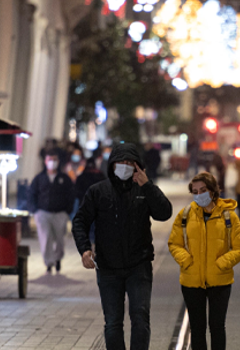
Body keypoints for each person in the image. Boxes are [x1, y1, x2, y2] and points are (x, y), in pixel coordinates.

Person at [72, 143, 173, 350]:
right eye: (121, 162)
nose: (125, 166)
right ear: (112, 165)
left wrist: (148, 186)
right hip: (108, 267)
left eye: (129, 162)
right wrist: (85, 249)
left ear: (138, 166)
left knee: (140, 319)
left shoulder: (144, 189)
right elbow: (80, 221)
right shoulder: (98, 191)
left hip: (139, 265)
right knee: (113, 322)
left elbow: (164, 213)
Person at [168, 172, 240, 350]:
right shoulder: (185, 215)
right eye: (195, 192)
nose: (199, 195)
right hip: (191, 280)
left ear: (212, 190)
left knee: (217, 326)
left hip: (220, 280)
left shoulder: (229, 216)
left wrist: (221, 264)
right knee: (197, 328)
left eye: (203, 190)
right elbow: (174, 243)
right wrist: (186, 261)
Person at [29, 150, 75, 274]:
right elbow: (32, 194)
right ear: (45, 161)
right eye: (50, 160)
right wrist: (35, 210)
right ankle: (49, 263)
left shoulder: (64, 178)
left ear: (58, 161)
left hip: (60, 213)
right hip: (43, 213)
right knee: (46, 239)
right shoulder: (39, 178)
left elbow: (71, 194)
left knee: (59, 239)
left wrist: (68, 211)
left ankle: (57, 258)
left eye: (54, 160)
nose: (52, 162)